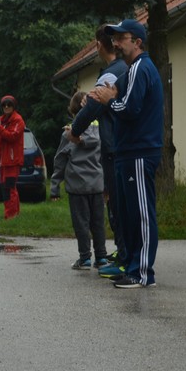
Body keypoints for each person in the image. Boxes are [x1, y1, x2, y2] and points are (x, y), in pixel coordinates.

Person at [80, 19, 163, 289]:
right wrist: (110, 97)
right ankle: (132, 265)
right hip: (128, 151)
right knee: (128, 215)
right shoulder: (130, 69)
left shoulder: (141, 67)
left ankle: (142, 273)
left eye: (121, 38)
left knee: (141, 214)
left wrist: (108, 100)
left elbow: (129, 109)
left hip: (140, 150)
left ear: (137, 42)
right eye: (113, 39)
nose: (115, 43)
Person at [69, 25, 130, 276]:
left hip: (114, 147)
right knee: (119, 203)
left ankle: (126, 256)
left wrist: (75, 129)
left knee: (118, 205)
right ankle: (124, 252)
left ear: (98, 45)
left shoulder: (111, 73)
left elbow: (93, 106)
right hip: (119, 145)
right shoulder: (123, 69)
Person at [51, 90, 108, 269]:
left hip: (77, 186)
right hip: (98, 184)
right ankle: (101, 258)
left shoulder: (68, 134)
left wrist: (54, 187)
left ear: (73, 110)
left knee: (81, 223)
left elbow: (60, 160)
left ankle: (84, 258)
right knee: (98, 222)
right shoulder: (101, 131)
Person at [0, 95, 26, 219]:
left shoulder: (18, 120)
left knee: (9, 188)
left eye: (9, 104)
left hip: (12, 161)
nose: (6, 107)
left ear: (14, 106)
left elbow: (12, 137)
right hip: (3, 160)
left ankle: (11, 215)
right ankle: (13, 215)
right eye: (4, 105)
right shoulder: (0, 120)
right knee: (6, 188)